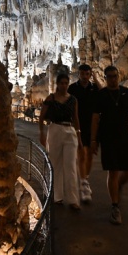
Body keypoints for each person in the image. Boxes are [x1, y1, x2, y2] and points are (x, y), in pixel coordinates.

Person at [90, 65, 128, 225]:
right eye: (109, 76)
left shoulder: (126, 93)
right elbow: (95, 118)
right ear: (105, 78)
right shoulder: (102, 95)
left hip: (125, 136)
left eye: (115, 76)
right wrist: (93, 140)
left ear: (118, 76)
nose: (112, 79)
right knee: (113, 171)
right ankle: (115, 206)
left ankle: (116, 187)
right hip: (108, 138)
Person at [39, 73, 82, 210]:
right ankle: (57, 196)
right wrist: (42, 133)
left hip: (69, 131)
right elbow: (41, 117)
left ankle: (73, 200)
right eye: (61, 83)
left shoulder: (73, 100)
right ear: (57, 84)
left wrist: (79, 137)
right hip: (55, 129)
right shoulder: (50, 99)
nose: (64, 85)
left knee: (71, 166)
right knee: (55, 163)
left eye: (66, 83)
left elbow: (75, 118)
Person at [68, 63, 98, 203]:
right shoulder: (73, 88)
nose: (85, 76)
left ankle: (85, 177)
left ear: (90, 74)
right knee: (81, 152)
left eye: (87, 74)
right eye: (82, 74)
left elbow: (103, 95)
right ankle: (83, 182)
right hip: (77, 124)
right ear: (78, 74)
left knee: (90, 153)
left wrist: (96, 79)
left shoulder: (94, 88)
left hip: (92, 125)